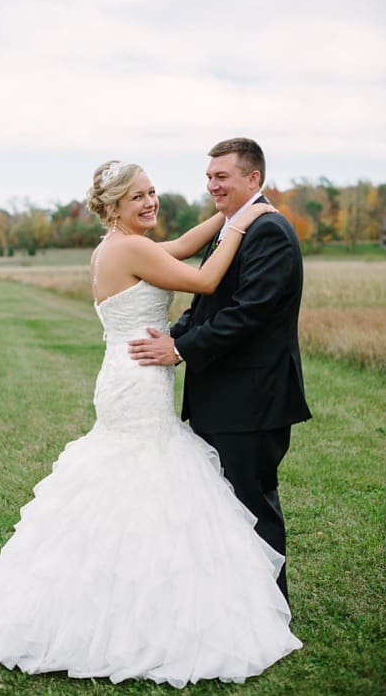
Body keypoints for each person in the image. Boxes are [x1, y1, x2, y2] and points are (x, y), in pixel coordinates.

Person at [0, 160, 302, 687]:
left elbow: (183, 244)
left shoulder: (116, 246)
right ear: (115, 207)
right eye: (137, 198)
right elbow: (205, 277)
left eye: (152, 193)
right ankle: (133, 606)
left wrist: (232, 212)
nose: (150, 203)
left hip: (127, 373)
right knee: (142, 472)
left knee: (134, 474)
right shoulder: (130, 248)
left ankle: (142, 595)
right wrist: (239, 222)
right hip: (139, 377)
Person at [128, 137, 311, 601]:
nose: (211, 185)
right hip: (223, 396)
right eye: (209, 176)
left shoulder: (267, 230)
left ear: (253, 178)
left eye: (221, 176)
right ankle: (232, 602)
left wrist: (181, 349)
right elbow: (209, 302)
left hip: (251, 398)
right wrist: (178, 331)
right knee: (223, 505)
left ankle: (271, 608)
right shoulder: (233, 226)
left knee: (252, 504)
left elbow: (249, 313)